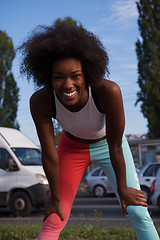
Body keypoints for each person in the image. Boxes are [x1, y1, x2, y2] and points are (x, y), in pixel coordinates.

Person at [19, 22, 159, 240]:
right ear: (48, 76)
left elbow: (115, 146)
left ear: (87, 73)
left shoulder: (108, 91)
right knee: (54, 217)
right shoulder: (41, 101)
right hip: (71, 148)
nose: (68, 85)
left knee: (137, 211)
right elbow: (49, 154)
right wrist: (55, 196)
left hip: (109, 146)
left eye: (76, 75)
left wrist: (122, 188)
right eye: (58, 77)